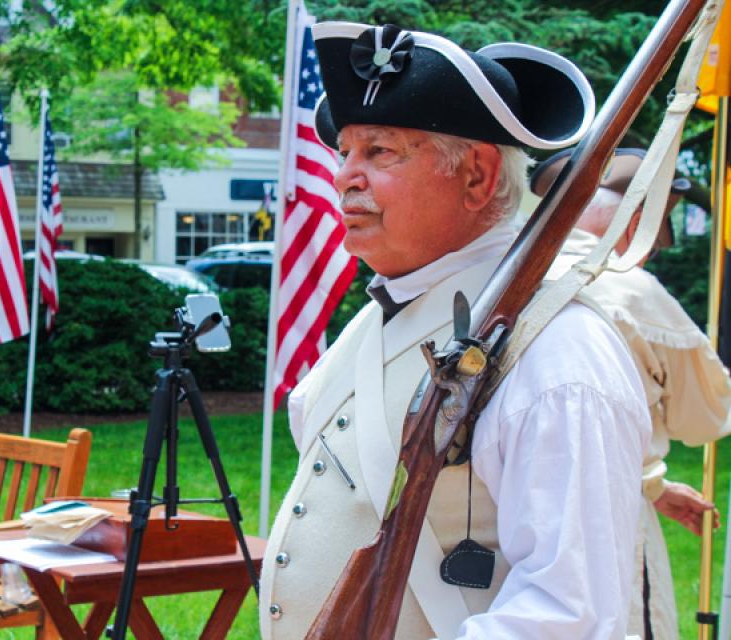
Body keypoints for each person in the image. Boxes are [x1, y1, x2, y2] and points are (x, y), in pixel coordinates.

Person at [261, 21, 651, 639]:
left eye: (380, 151)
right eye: (345, 152)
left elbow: (567, 616)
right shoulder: (375, 321)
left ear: (477, 176)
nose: (343, 176)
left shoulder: (558, 353)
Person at [532, 148, 731, 640]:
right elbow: (705, 417)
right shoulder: (629, 290)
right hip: (607, 526)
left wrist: (654, 484)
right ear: (634, 220)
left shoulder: (499, 281)